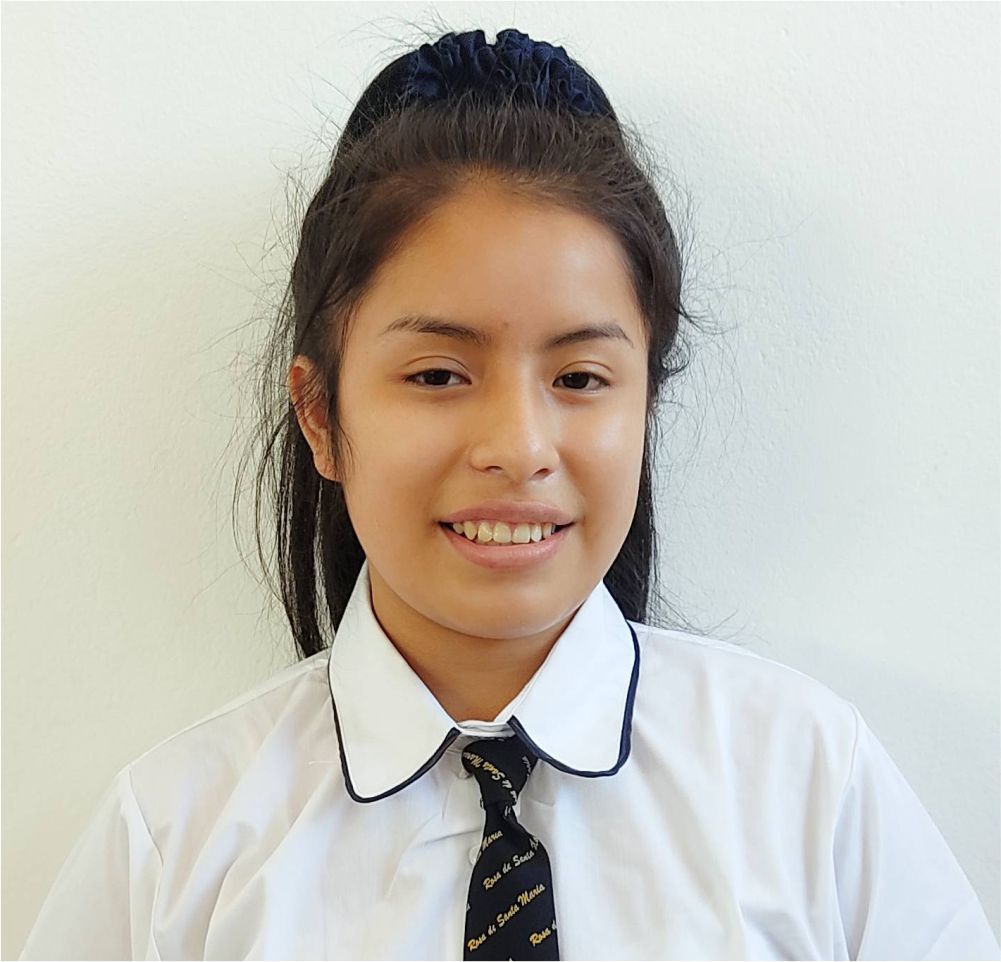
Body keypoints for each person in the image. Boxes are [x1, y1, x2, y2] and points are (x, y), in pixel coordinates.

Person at [19, 26, 1000, 962]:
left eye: (578, 377)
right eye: (437, 374)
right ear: (319, 415)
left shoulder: (805, 781)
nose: (519, 448)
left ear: (644, 405)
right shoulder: (174, 840)